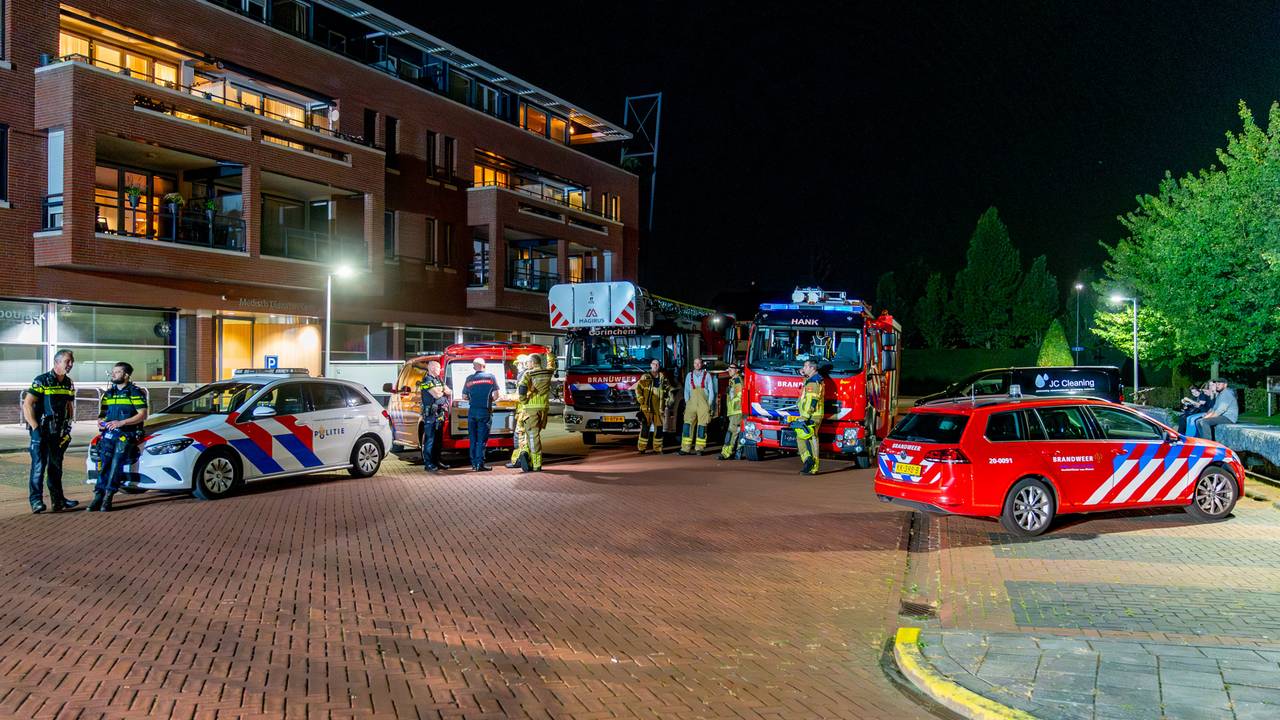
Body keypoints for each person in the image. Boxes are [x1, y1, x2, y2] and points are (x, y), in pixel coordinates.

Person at [24, 349, 79, 514]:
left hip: (59, 431)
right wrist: (35, 428)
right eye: (67, 361)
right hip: (41, 430)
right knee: (39, 466)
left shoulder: (68, 383)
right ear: (57, 362)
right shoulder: (42, 381)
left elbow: (69, 405)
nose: (70, 364)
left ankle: (58, 501)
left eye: (71, 362)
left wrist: (68, 424)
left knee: (56, 467)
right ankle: (36, 502)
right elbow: (27, 404)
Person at [90, 362, 149, 512]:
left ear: (126, 375)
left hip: (126, 434)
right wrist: (101, 422)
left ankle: (108, 497)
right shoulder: (109, 393)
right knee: (104, 464)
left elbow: (142, 415)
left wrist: (121, 422)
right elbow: (102, 414)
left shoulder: (135, 392)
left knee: (116, 464)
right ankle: (98, 495)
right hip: (109, 434)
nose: (113, 374)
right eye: (113, 372)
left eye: (117, 372)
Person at [514, 354, 553, 472]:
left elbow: (522, 387)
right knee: (535, 434)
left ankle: (536, 463)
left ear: (532, 363)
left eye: (528, 363)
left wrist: (523, 400)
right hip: (543, 409)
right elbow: (552, 365)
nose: (527, 365)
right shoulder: (548, 372)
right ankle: (528, 456)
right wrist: (549, 354)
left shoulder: (528, 373)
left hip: (531, 408)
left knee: (532, 435)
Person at [462, 358, 499, 471]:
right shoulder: (490, 377)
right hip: (485, 411)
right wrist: (489, 400)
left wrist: (473, 399)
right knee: (481, 440)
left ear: (474, 367)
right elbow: (496, 395)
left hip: (472, 411)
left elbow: (464, 396)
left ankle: (473, 464)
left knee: (473, 439)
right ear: (484, 365)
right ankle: (480, 464)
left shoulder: (469, 379)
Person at [417, 360, 451, 471]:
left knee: (438, 441)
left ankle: (437, 461)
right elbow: (437, 395)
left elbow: (449, 391)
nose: (440, 370)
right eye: (438, 368)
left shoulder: (438, 379)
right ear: (432, 368)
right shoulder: (427, 380)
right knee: (429, 440)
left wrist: (441, 391)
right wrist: (442, 392)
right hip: (430, 415)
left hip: (439, 414)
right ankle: (428, 464)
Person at [679, 357, 718, 455]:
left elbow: (711, 391)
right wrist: (687, 402)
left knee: (702, 426)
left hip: (703, 404)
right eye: (695, 363)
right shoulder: (689, 375)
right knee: (687, 425)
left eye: (699, 363)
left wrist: (709, 404)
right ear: (693, 364)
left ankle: (699, 449)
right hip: (691, 403)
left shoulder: (707, 375)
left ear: (702, 364)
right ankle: (685, 448)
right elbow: (686, 390)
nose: (697, 365)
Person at [794, 359, 825, 475]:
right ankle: (809, 461)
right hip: (810, 415)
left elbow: (812, 401)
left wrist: (805, 416)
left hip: (812, 416)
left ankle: (812, 464)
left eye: (806, 366)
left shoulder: (814, 382)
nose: (803, 368)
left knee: (811, 440)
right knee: (803, 437)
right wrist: (804, 376)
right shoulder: (812, 380)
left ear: (813, 368)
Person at [635, 358, 671, 454]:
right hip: (647, 407)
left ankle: (658, 448)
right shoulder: (645, 377)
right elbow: (638, 390)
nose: (655, 366)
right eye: (654, 364)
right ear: (651, 365)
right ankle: (642, 448)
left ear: (659, 366)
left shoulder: (663, 378)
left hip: (659, 408)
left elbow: (668, 390)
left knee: (659, 429)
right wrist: (641, 400)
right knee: (645, 429)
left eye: (657, 364)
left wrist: (667, 401)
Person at [505, 354, 531, 469]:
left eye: (517, 364)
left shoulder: (524, 375)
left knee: (519, 436)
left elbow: (521, 395)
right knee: (524, 436)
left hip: (523, 411)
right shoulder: (529, 374)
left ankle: (519, 460)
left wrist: (508, 397)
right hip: (527, 410)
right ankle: (522, 459)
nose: (516, 367)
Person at [718, 361, 745, 461]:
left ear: (737, 370)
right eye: (729, 368)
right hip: (733, 411)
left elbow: (739, 396)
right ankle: (738, 452)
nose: (729, 370)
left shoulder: (737, 380)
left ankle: (726, 453)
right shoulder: (733, 380)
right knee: (737, 432)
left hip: (736, 411)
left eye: (732, 368)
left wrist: (733, 406)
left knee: (731, 432)